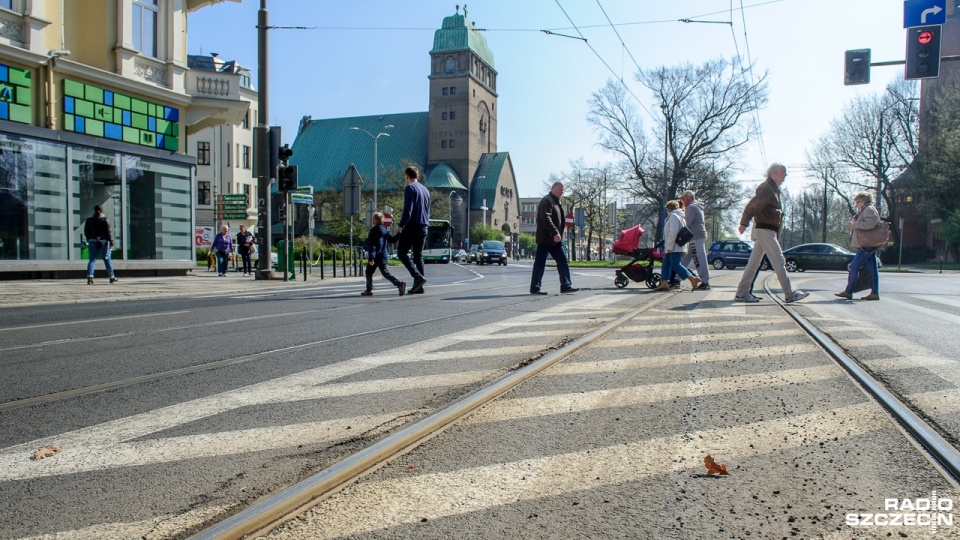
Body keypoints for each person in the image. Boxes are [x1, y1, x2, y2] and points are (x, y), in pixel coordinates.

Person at [734, 163, 808, 303]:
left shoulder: (773, 189)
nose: (785, 175)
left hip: (766, 229)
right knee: (779, 260)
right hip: (764, 229)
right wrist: (744, 222)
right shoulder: (766, 188)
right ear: (774, 172)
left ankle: (742, 293)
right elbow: (753, 206)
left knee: (754, 263)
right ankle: (789, 293)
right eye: (783, 172)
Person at [530, 181, 578, 294]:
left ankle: (566, 286)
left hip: (555, 241)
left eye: (563, 190)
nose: (562, 192)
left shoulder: (556, 202)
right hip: (546, 239)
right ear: (553, 188)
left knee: (563, 262)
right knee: (540, 263)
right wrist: (555, 232)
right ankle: (535, 287)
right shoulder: (547, 201)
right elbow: (545, 218)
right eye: (561, 189)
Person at [835, 191, 881, 301]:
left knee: (854, 266)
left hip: (866, 245)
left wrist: (855, 225)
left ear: (863, 200)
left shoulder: (868, 209)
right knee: (872, 269)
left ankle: (849, 291)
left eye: (858, 202)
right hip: (868, 244)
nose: (857, 204)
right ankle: (874, 292)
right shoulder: (866, 209)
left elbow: (871, 224)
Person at [396, 166, 430, 294]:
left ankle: (417, 277)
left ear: (407, 176)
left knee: (401, 253)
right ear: (417, 176)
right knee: (418, 256)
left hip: (412, 226)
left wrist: (401, 225)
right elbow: (427, 210)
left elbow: (408, 210)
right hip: (424, 226)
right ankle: (419, 286)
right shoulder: (425, 190)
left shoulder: (410, 188)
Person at [655, 200, 701, 291]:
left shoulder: (674, 216)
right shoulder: (679, 216)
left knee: (675, 265)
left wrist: (669, 247)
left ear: (669, 209)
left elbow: (673, 232)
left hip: (674, 247)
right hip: (674, 246)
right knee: (666, 264)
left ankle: (692, 279)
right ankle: (664, 283)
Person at [361, 212, 405, 297]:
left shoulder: (373, 231)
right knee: (385, 273)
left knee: (369, 272)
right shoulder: (384, 230)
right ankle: (399, 284)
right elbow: (392, 240)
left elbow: (373, 245)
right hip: (383, 256)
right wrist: (399, 234)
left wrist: (371, 258)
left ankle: (369, 290)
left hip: (376, 256)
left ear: (374, 220)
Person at [680, 190, 711, 290]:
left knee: (699, 260)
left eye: (683, 198)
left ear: (688, 197)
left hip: (696, 236)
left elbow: (687, 223)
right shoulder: (696, 207)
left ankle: (705, 281)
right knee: (686, 259)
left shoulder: (692, 207)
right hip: (696, 236)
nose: (682, 201)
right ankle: (677, 277)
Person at [84, 205, 118, 285]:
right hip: (104, 242)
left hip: (92, 241)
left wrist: (89, 239)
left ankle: (90, 277)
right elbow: (108, 232)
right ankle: (111, 277)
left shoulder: (89, 219)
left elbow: (86, 231)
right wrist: (111, 242)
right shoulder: (105, 219)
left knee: (92, 259)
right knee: (107, 259)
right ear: (102, 211)